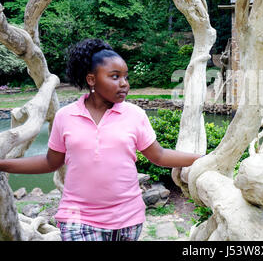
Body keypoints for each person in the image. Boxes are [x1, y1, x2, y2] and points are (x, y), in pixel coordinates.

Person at [0, 38, 201, 241]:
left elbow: (159, 155)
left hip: (128, 220)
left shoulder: (135, 115)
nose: (124, 83)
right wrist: (3, 164)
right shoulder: (65, 116)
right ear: (91, 79)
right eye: (115, 77)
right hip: (78, 219)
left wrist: (203, 158)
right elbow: (50, 161)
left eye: (125, 77)